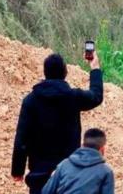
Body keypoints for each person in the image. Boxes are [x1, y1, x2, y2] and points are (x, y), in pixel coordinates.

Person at [12, 53, 104, 194]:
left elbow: (21, 139)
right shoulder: (73, 97)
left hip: (39, 179)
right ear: (65, 72)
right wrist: (95, 67)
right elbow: (96, 96)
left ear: (45, 72)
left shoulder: (30, 101)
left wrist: (18, 170)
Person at [41, 128, 115, 194]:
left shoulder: (64, 164)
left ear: (82, 145)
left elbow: (46, 191)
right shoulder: (106, 171)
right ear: (102, 149)